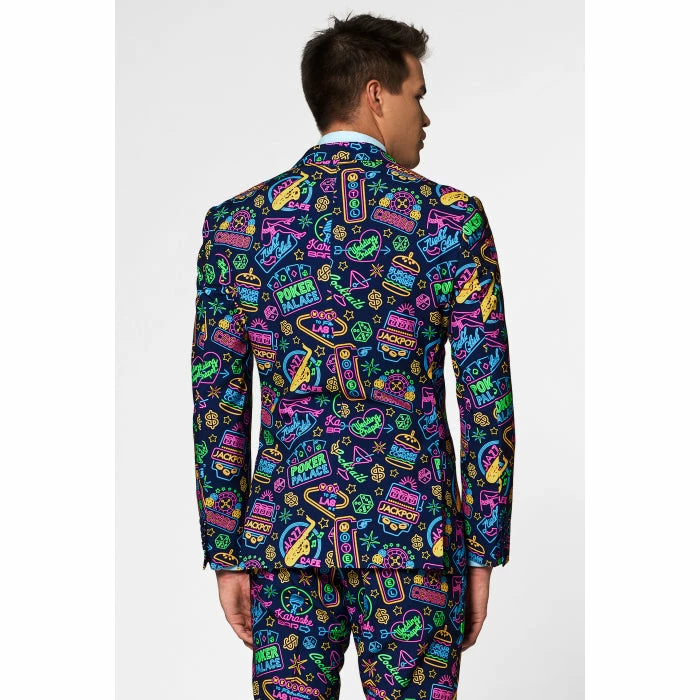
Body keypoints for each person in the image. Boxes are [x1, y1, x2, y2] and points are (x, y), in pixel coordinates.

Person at [191, 12, 516, 700]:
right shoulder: (451, 220)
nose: (425, 116)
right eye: (417, 95)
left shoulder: (237, 227)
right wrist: (482, 550)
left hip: (285, 538)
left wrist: (227, 549)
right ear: (376, 95)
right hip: (415, 541)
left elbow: (217, 402)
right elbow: (486, 399)